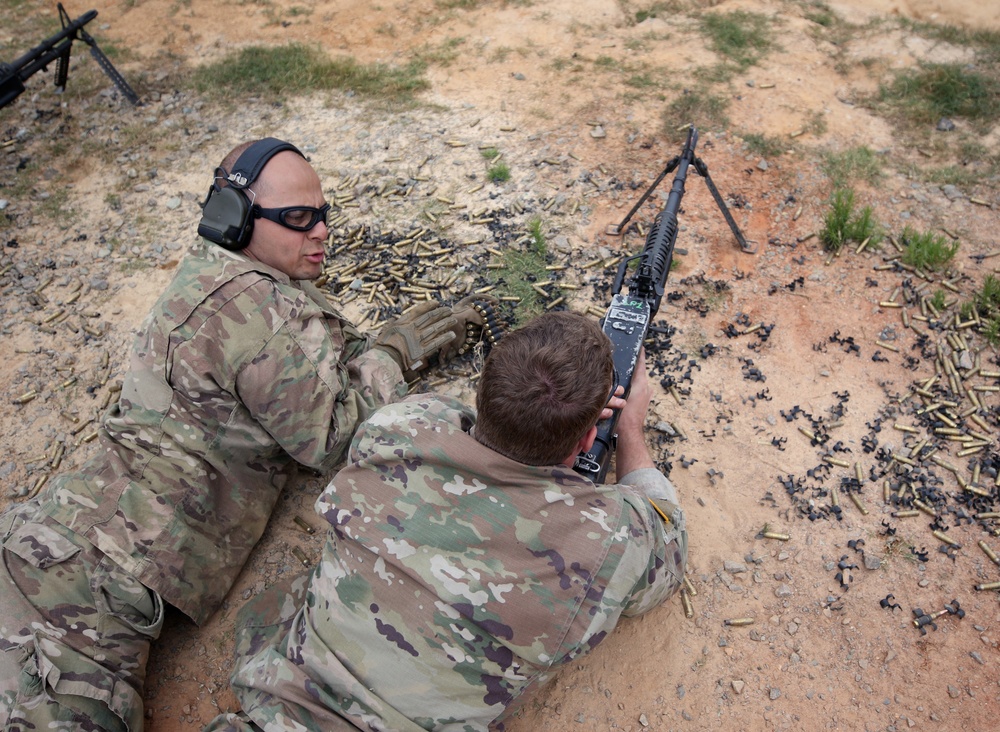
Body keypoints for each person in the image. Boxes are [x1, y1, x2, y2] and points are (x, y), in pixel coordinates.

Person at [0, 137, 489, 732]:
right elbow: (330, 440)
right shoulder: (263, 315)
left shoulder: (219, 273)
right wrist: (392, 356)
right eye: (299, 219)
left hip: (60, 541)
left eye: (323, 212)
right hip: (83, 591)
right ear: (236, 219)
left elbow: (312, 361)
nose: (321, 231)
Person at [207, 310, 688, 732]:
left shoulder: (393, 429)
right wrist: (628, 430)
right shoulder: (607, 541)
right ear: (587, 443)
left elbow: (446, 420)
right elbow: (669, 545)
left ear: (483, 392)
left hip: (277, 704)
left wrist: (535, 419)